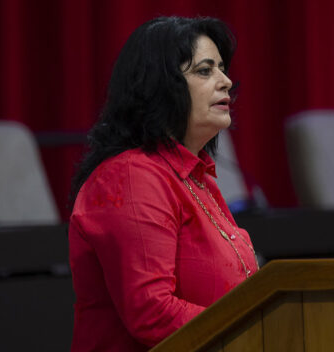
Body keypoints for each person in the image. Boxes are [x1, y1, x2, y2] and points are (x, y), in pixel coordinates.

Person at [69, 16, 259, 351]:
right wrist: (258, 334)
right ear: (160, 85)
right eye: (205, 70)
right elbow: (152, 312)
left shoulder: (197, 178)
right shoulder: (131, 177)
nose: (226, 81)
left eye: (222, 68)